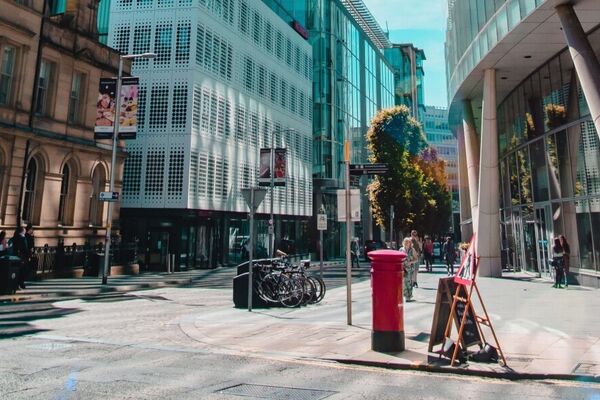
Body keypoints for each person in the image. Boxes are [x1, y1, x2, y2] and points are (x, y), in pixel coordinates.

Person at [400, 237, 418, 302]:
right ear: (404, 243)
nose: (407, 243)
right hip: (403, 268)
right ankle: (406, 295)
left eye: (409, 242)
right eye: (406, 242)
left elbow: (416, 259)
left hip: (410, 269)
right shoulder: (401, 249)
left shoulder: (412, 250)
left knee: (409, 282)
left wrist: (410, 262)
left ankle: (409, 296)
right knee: (403, 282)